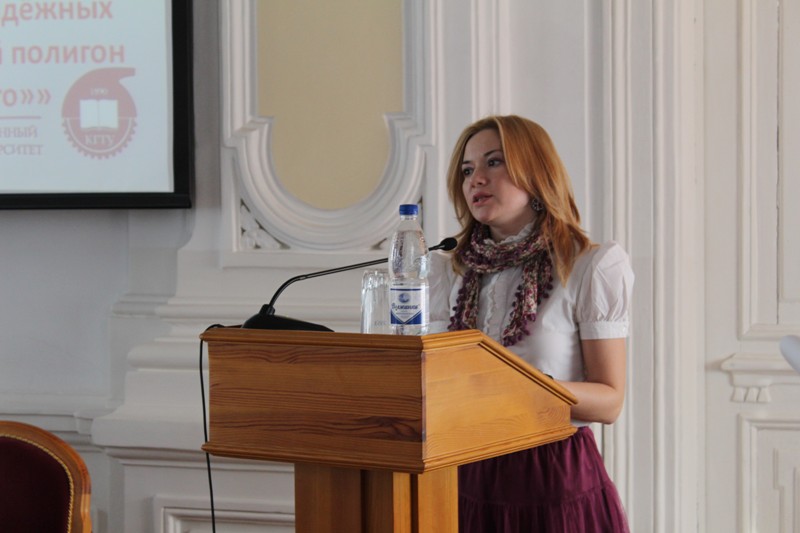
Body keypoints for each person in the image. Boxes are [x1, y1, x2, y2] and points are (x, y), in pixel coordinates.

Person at [429, 115, 634, 532]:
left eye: (494, 162)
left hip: (551, 476)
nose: (476, 179)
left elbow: (610, 401)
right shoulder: (448, 271)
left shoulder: (589, 266)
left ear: (536, 173)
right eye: (467, 170)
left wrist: (521, 385)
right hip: (464, 472)